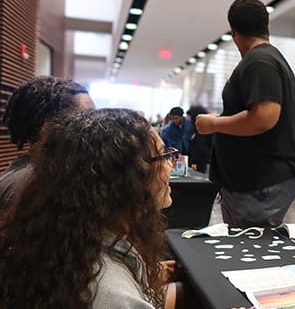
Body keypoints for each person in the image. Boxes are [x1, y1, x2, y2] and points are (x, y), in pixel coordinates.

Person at [0, 109, 181, 309]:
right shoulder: (113, 294)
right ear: (126, 181)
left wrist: (145, 273)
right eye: (164, 155)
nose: (170, 165)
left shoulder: (61, 246)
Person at [196, 0, 295, 227]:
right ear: (266, 26)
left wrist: (214, 124)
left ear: (234, 32)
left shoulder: (259, 61)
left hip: (258, 182)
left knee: (250, 250)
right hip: (257, 180)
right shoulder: (266, 60)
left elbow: (264, 117)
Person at [0, 76, 95, 215]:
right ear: (48, 124)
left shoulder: (53, 172)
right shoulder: (29, 186)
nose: (95, 123)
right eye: (87, 117)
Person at [186, 105, 212, 173]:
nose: (188, 119)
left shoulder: (202, 130)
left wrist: (193, 161)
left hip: (201, 162)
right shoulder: (199, 129)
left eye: (190, 117)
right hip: (201, 161)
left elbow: (199, 146)